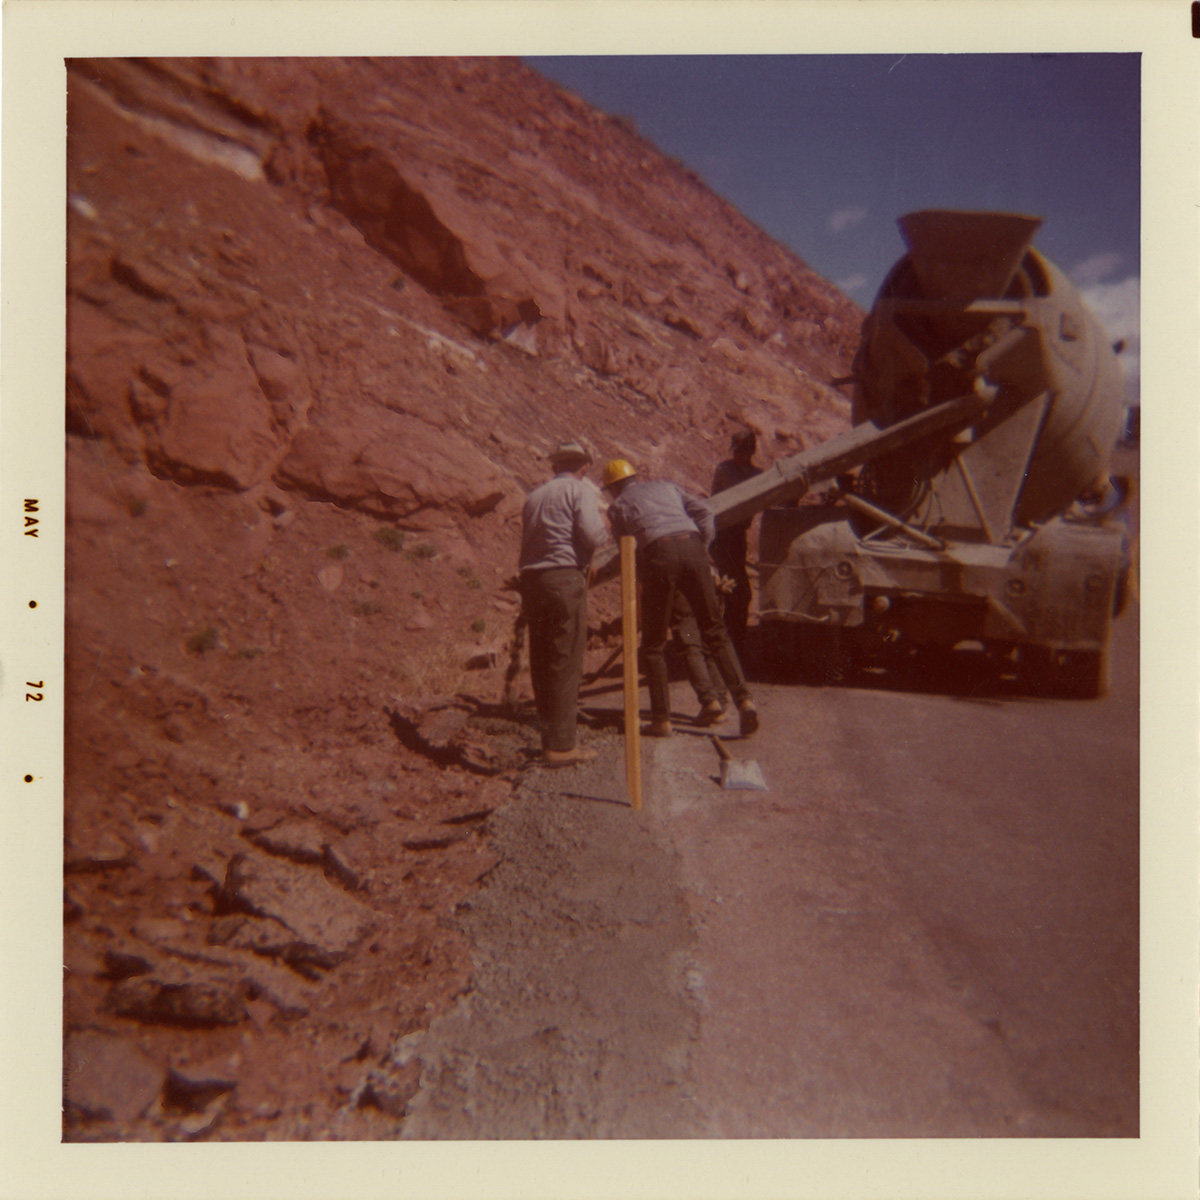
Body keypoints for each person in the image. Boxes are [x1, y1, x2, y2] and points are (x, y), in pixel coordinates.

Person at [602, 458, 758, 738]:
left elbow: (628, 551)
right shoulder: (667, 487)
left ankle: (662, 720)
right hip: (693, 551)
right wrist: (701, 547)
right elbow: (705, 512)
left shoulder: (618, 506)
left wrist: (646, 577)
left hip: (660, 559)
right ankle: (744, 700)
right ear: (635, 477)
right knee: (716, 632)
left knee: (654, 645)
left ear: (612, 488)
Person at [518, 440, 609, 766]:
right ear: (584, 466)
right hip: (564, 578)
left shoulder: (534, 496)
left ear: (556, 466)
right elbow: (592, 536)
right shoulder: (579, 490)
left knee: (542, 659)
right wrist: (605, 528)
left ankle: (550, 739)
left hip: (533, 581)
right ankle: (562, 746)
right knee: (566, 660)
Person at [710, 429, 762, 657]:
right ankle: (728, 647)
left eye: (742, 451)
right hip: (723, 536)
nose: (737, 455)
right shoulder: (724, 470)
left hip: (739, 537)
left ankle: (733, 644)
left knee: (738, 594)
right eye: (736, 451)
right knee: (735, 592)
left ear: (751, 451)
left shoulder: (757, 475)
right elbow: (715, 503)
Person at [669, 592, 728, 724]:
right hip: (710, 587)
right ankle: (720, 703)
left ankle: (710, 700)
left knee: (689, 644)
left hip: (682, 589)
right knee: (711, 645)